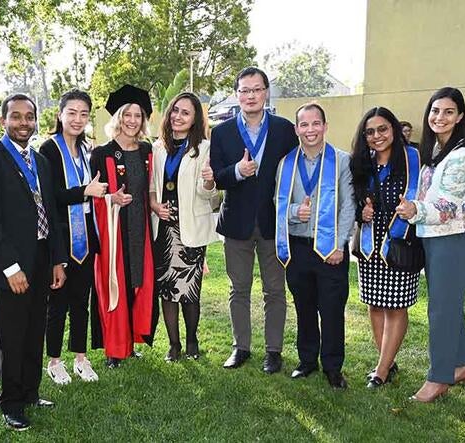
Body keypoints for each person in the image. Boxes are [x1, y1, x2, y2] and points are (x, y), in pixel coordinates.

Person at [0, 93, 67, 430]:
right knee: (11, 336)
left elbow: (51, 212)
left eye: (29, 117)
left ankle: (29, 391)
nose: (23, 123)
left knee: (34, 329)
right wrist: (11, 268)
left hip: (42, 258)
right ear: (3, 121)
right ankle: (11, 402)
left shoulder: (40, 161)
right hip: (11, 265)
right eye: (16, 116)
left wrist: (57, 260)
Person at [396, 87, 465, 402]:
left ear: (460, 116)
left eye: (448, 112)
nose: (440, 117)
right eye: (435, 111)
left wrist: (414, 210)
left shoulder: (461, 156)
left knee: (442, 310)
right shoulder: (437, 152)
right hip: (435, 238)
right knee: (450, 306)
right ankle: (459, 366)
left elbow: (445, 207)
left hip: (453, 240)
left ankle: (438, 378)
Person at [209, 66, 298, 372]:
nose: (250, 96)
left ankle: (273, 351)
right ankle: (241, 347)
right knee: (239, 289)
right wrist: (237, 171)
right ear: (237, 95)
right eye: (244, 90)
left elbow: (295, 172)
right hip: (236, 224)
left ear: (266, 92)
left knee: (275, 290)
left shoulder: (285, 130)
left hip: (274, 224)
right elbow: (216, 177)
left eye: (256, 89)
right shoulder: (221, 132)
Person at [275, 103, 355, 389]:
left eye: (315, 123)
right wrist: (297, 211)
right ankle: (307, 360)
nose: (310, 130)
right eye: (304, 125)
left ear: (325, 126)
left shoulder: (342, 161)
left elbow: (348, 206)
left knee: (332, 310)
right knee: (304, 307)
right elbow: (278, 204)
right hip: (297, 247)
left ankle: (333, 367)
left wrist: (339, 244)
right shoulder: (286, 164)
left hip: (330, 250)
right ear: (297, 128)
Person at [350, 107, 421, 389]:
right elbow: (353, 200)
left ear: (393, 129)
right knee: (375, 303)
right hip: (370, 244)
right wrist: (360, 213)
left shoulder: (413, 160)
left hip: (400, 242)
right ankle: (387, 362)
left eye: (382, 129)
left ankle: (380, 370)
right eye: (370, 131)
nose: (377, 136)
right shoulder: (362, 163)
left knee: (396, 306)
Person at [39, 89, 107, 384]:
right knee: (58, 302)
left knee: (82, 300)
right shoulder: (48, 150)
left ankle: (81, 358)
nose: (77, 119)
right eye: (72, 113)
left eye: (83, 114)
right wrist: (84, 192)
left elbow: (93, 190)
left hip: (86, 239)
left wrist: (106, 195)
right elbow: (49, 196)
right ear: (60, 114)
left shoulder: (87, 150)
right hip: (60, 238)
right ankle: (54, 362)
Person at [90, 84, 158, 369]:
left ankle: (130, 342)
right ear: (118, 117)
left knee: (137, 282)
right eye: (127, 114)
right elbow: (92, 193)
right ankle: (114, 348)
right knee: (114, 285)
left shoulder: (146, 151)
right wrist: (110, 198)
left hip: (140, 228)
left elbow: (152, 189)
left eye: (138, 115)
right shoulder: (102, 153)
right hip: (114, 230)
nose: (133, 120)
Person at [149, 92, 219, 361]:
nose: (178, 116)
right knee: (167, 289)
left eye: (186, 113)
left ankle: (192, 341)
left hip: (190, 227)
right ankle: (173, 345)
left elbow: (208, 196)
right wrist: (155, 206)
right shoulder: (156, 148)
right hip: (164, 229)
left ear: (194, 119)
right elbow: (152, 189)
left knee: (190, 290)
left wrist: (210, 182)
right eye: (175, 110)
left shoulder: (204, 148)